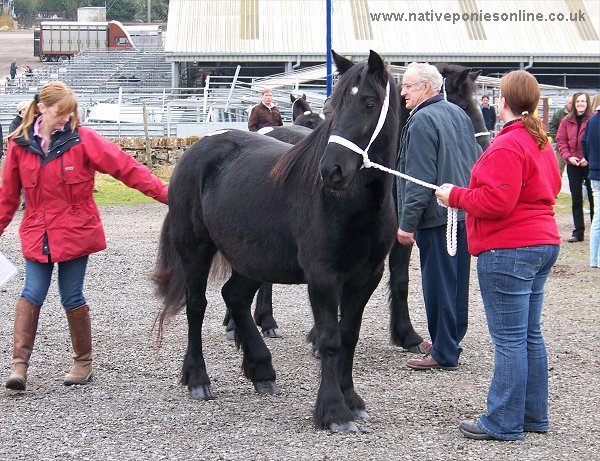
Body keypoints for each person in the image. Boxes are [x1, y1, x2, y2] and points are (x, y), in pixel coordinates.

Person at [0, 81, 169, 391]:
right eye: (60, 112)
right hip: (38, 234)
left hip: (76, 233)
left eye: (69, 113)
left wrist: (166, 194)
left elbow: (126, 168)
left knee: (71, 295)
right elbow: (8, 198)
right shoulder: (18, 145)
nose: (66, 118)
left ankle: (83, 362)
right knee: (31, 292)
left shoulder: (84, 139)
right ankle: (18, 367)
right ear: (42, 109)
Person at [436, 70, 561, 441]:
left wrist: (454, 196)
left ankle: (504, 421)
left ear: (503, 102)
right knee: (529, 335)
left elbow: (497, 201)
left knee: (509, 340)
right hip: (542, 242)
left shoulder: (508, 144)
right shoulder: (539, 141)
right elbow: (551, 186)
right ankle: (532, 414)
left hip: (510, 249)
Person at [396, 62, 481, 371]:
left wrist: (406, 223)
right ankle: (450, 339)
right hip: (461, 212)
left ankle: (444, 351)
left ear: (426, 88)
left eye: (408, 85)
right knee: (456, 283)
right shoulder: (458, 114)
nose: (402, 91)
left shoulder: (421, 121)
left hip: (437, 217)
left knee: (438, 285)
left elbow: (418, 179)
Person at [556, 91, 594, 243]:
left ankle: (595, 231)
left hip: (589, 164)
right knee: (576, 199)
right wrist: (568, 157)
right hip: (573, 164)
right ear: (573, 104)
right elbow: (561, 140)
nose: (580, 104)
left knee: (593, 198)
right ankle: (578, 232)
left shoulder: (593, 120)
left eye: (583, 102)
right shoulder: (566, 121)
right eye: (578, 102)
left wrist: (588, 158)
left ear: (587, 103)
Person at [582, 94, 600, 267]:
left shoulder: (592, 121)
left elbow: (584, 144)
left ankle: (595, 258)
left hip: (594, 172)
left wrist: (592, 162)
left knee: (597, 218)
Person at [547, 94, 573, 177]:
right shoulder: (559, 114)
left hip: (575, 149)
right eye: (570, 102)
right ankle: (555, 189)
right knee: (557, 170)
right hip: (561, 149)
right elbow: (551, 126)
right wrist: (557, 139)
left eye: (573, 103)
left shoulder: (579, 115)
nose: (571, 105)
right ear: (566, 102)